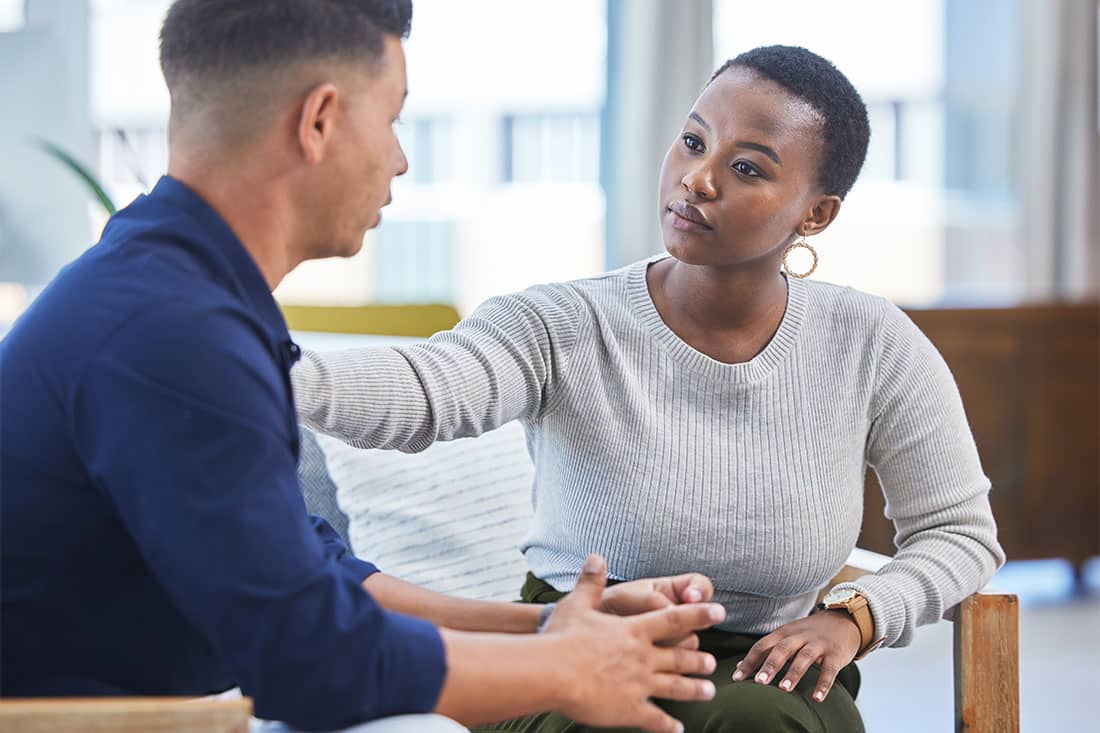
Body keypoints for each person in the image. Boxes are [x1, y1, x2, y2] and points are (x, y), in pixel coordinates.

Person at [0, 2, 731, 732]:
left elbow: (311, 577)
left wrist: (546, 627)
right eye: (391, 118)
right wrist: (572, 668)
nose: (400, 159)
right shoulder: (173, 331)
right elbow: (310, 661)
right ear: (318, 121)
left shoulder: (171, 287)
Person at [294, 45, 1006, 732]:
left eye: (747, 168)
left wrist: (856, 616)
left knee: (755, 717)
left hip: (765, 670)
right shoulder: (563, 321)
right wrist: (265, 367)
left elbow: (959, 532)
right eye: (693, 143)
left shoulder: (873, 342)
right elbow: (427, 389)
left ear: (815, 214)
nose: (698, 179)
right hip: (576, 647)